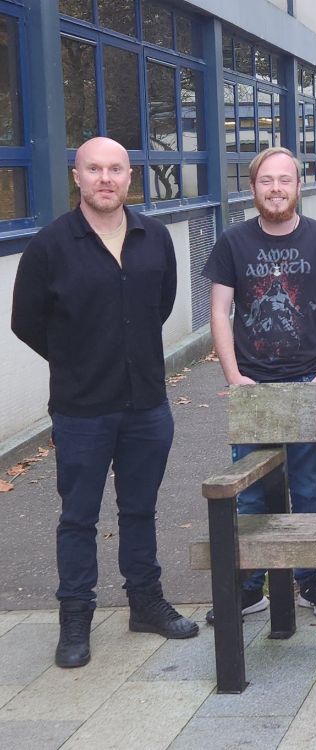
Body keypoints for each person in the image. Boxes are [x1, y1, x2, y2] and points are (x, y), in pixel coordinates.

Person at [11, 136, 198, 668]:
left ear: (129, 177)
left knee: (140, 509)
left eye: (115, 169)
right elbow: (26, 322)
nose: (105, 178)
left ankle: (145, 603)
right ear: (77, 177)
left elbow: (160, 306)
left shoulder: (154, 237)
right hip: (81, 408)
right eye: (94, 169)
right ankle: (75, 620)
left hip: (147, 404)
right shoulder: (51, 245)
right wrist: (78, 359)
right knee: (78, 517)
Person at [202, 146, 316, 622]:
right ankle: (249, 585)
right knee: (250, 493)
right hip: (254, 386)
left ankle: (311, 580)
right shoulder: (233, 242)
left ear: (299, 186)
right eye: (267, 180)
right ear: (253, 189)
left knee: (308, 489)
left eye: (285, 180)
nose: (276, 189)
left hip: (309, 378)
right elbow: (220, 311)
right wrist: (233, 377)